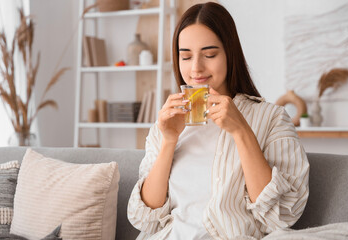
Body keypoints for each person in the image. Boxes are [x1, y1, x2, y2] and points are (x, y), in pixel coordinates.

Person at [128, 2, 309, 239]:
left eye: (210, 54)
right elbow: (145, 219)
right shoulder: (166, 125)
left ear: (229, 53)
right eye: (186, 56)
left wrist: (241, 130)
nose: (196, 68)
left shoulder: (271, 118)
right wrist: (169, 141)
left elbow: (283, 214)